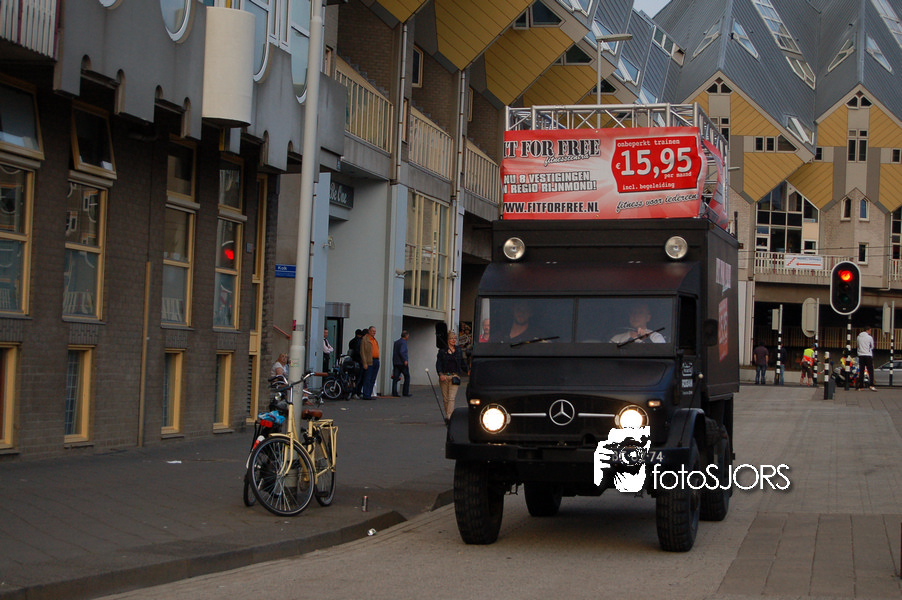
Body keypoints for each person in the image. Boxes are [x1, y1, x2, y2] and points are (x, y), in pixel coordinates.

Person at [436, 331, 467, 422]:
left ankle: (449, 417)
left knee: (451, 398)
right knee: (445, 399)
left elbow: (462, 363)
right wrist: (441, 374)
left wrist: (468, 370)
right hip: (445, 376)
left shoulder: (458, 350)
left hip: (455, 376)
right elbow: (438, 364)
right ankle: (448, 414)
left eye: (455, 338)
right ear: (448, 340)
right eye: (451, 338)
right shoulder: (442, 351)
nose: (453, 340)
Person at [360, 325, 380, 399]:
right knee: (367, 378)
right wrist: (364, 363)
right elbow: (362, 352)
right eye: (372, 331)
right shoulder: (365, 340)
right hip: (369, 361)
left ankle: (369, 394)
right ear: (369, 331)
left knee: (373, 379)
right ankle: (366, 394)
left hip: (376, 360)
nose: (374, 332)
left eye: (375, 331)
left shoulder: (375, 340)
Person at [391, 330, 411, 397]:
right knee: (407, 376)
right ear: (406, 336)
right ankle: (405, 392)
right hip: (402, 363)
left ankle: (394, 392)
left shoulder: (396, 342)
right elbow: (402, 352)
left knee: (395, 378)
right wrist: (404, 360)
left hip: (396, 362)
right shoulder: (403, 342)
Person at [857, 326, 876, 391]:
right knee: (870, 370)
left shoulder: (858, 337)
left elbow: (858, 345)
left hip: (861, 355)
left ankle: (861, 386)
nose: (870, 332)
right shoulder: (869, 337)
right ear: (867, 330)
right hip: (868, 355)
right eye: (870, 331)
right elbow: (872, 346)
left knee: (861, 371)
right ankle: (871, 385)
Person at [348, 329, 364, 397]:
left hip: (353, 361)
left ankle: (352, 392)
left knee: (353, 378)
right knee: (359, 378)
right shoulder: (359, 341)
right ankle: (357, 392)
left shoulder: (351, 341)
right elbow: (359, 351)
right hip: (359, 361)